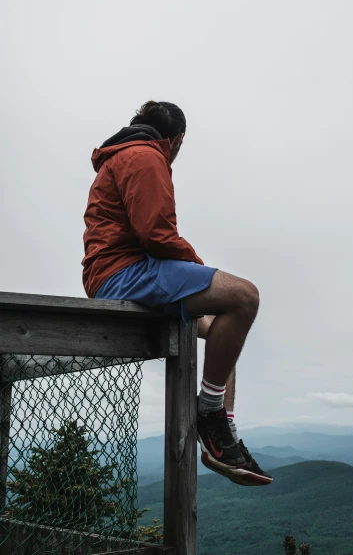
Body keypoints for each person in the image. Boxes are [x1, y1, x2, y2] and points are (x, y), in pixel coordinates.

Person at [82, 100, 272, 486]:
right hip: (125, 274)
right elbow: (156, 235)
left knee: (224, 329)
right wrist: (199, 268)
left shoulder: (123, 155)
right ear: (177, 139)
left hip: (122, 272)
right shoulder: (145, 156)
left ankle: (221, 434)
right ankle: (210, 413)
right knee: (244, 296)